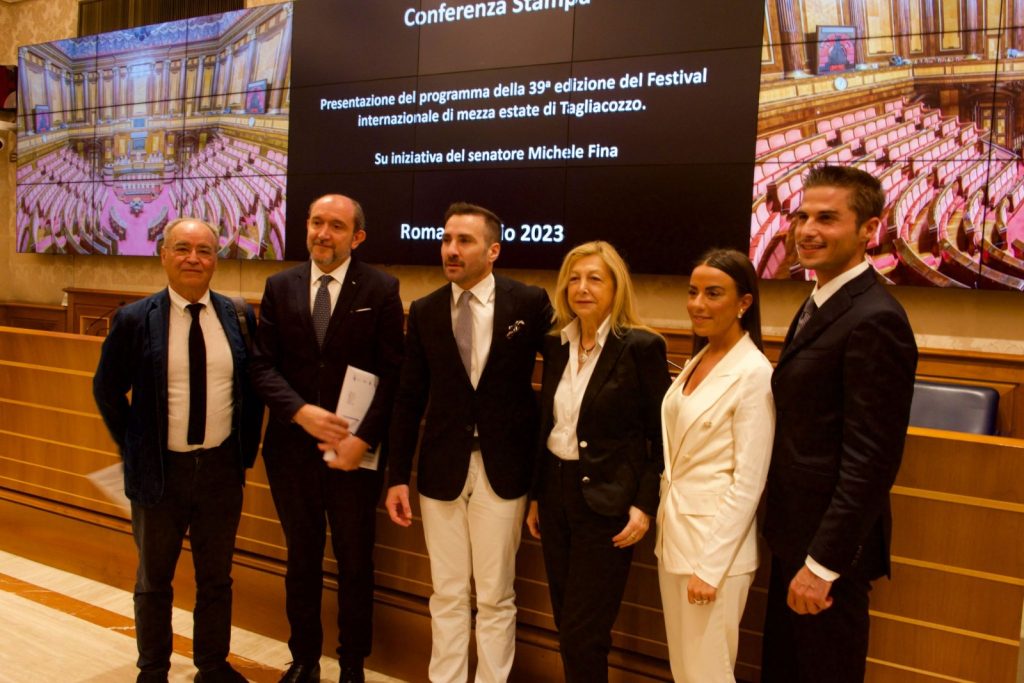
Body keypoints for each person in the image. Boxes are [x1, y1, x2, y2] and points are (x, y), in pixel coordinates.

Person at [761, 165, 918, 682]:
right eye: (802, 215)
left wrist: (823, 565)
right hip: (794, 538)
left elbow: (870, 460)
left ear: (870, 230)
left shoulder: (876, 317)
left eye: (827, 218)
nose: (806, 229)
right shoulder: (820, 300)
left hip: (827, 558)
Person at [385, 202, 552, 683]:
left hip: (504, 472)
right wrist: (398, 476)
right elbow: (408, 398)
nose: (451, 250)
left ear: (493, 250)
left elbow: (566, 379)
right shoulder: (426, 310)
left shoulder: (528, 303)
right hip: (441, 469)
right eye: (446, 240)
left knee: (497, 595)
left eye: (464, 241)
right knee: (448, 592)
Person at [93, 217, 264, 683]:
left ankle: (211, 665)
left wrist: (242, 456)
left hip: (220, 473)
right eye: (183, 248)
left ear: (216, 260)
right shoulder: (134, 319)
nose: (194, 258)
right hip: (159, 475)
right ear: (163, 255)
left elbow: (253, 392)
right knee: (154, 581)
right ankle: (153, 671)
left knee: (216, 579)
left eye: (205, 250)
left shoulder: (238, 317)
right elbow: (107, 390)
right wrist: (136, 449)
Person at [250, 194, 404, 683]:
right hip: (291, 449)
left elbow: (393, 374)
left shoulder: (381, 288)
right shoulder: (280, 286)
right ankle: (304, 660)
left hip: (353, 453)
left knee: (356, 560)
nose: (322, 233)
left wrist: (365, 439)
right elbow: (261, 365)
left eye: (336, 226)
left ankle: (352, 662)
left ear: (356, 237)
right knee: (302, 557)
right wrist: (299, 412)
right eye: (316, 222)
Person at [526, 241, 670, 683]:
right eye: (574, 278)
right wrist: (536, 497)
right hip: (554, 495)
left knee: (583, 631)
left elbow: (660, 436)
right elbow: (547, 427)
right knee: (566, 621)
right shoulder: (556, 345)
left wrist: (644, 505)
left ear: (615, 287)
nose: (581, 288)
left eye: (594, 278)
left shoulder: (641, 347)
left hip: (606, 503)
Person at [655, 248, 774, 682]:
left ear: (744, 303)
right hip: (676, 537)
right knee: (685, 670)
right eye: (693, 292)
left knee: (709, 673)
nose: (697, 304)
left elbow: (749, 481)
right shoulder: (698, 358)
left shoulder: (753, 372)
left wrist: (710, 567)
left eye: (713, 293)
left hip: (713, 552)